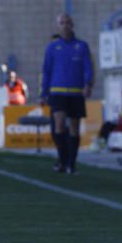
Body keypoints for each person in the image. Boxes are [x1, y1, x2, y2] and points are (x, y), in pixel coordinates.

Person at [40, 13, 94, 174]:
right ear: (58, 26)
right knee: (59, 125)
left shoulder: (82, 46)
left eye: (67, 22)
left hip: (76, 93)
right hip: (57, 92)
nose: (65, 25)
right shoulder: (52, 47)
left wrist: (88, 83)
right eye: (62, 23)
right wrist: (44, 92)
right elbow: (46, 71)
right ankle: (62, 159)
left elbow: (88, 67)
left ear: (72, 24)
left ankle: (72, 163)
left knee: (74, 129)